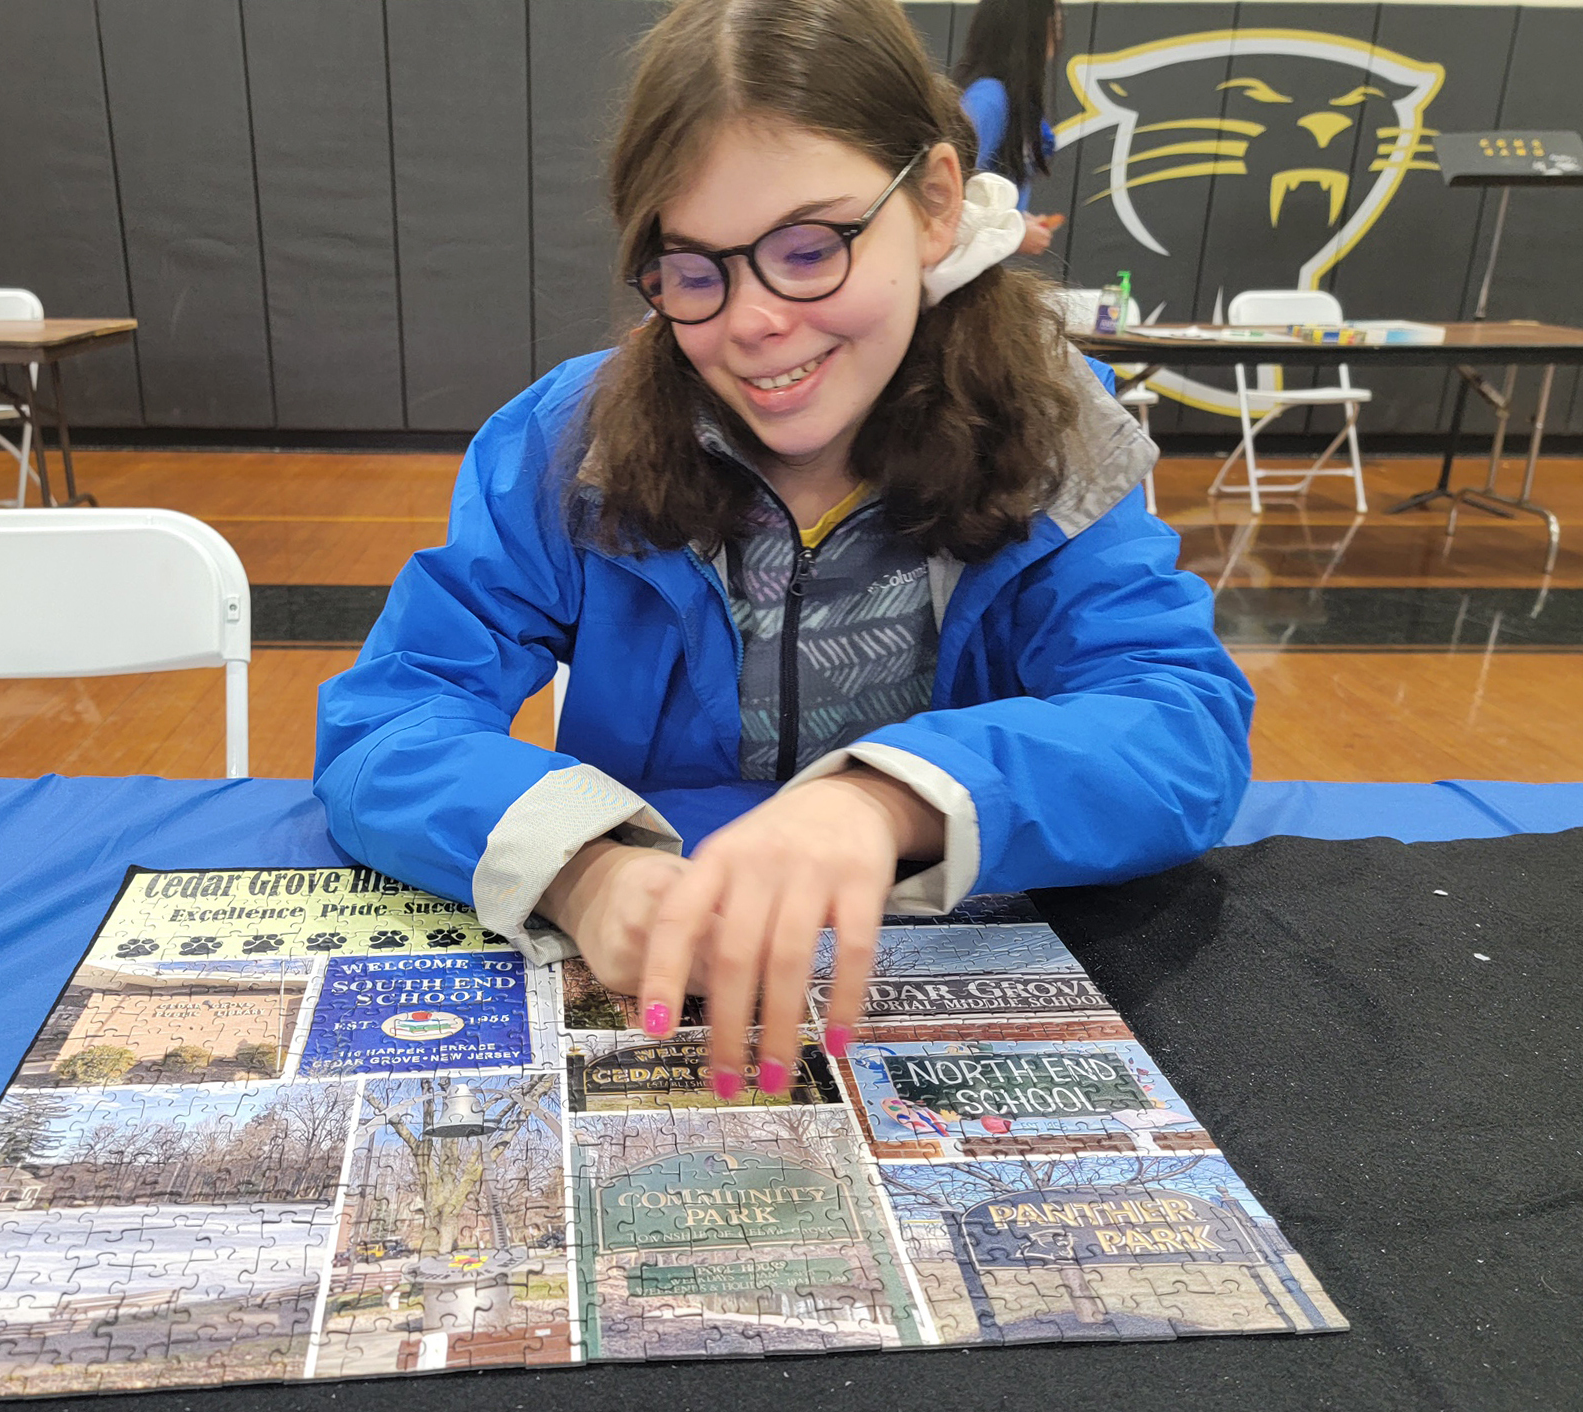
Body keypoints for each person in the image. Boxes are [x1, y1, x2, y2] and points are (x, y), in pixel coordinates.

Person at [315, 0, 1251, 1102]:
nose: (755, 320)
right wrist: (581, 867)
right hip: (666, 998)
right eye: (694, 270)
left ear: (935, 204)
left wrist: (885, 800)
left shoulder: (1051, 430)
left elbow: (1176, 721)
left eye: (809, 248)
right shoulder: (564, 442)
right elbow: (391, 719)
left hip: (940, 980)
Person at [954, 0, 1065, 256]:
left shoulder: (1014, 100)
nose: (1059, 28)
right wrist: (1014, 236)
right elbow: (943, 201)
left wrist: (1017, 222)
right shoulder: (988, 101)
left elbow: (984, 199)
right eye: (1054, 19)